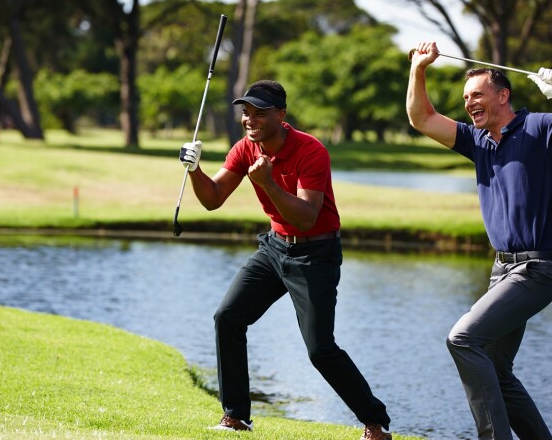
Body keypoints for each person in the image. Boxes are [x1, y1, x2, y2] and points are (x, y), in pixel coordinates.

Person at [179, 80, 392, 440]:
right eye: (246, 112)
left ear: (281, 115)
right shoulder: (246, 148)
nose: (250, 120)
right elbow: (213, 198)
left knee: (320, 349)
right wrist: (194, 169)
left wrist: (270, 184)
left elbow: (307, 216)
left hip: (316, 253)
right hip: (275, 248)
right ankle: (235, 417)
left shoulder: (312, 151)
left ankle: (375, 423)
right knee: (228, 317)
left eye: (259, 113)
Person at [407, 41, 552, 440]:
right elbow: (422, 118)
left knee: (463, 339)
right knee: (495, 367)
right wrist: (419, 69)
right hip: (502, 269)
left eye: (477, 95)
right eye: (466, 97)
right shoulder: (478, 140)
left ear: (503, 95)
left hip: (538, 267)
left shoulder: (540, 127)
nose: (470, 103)